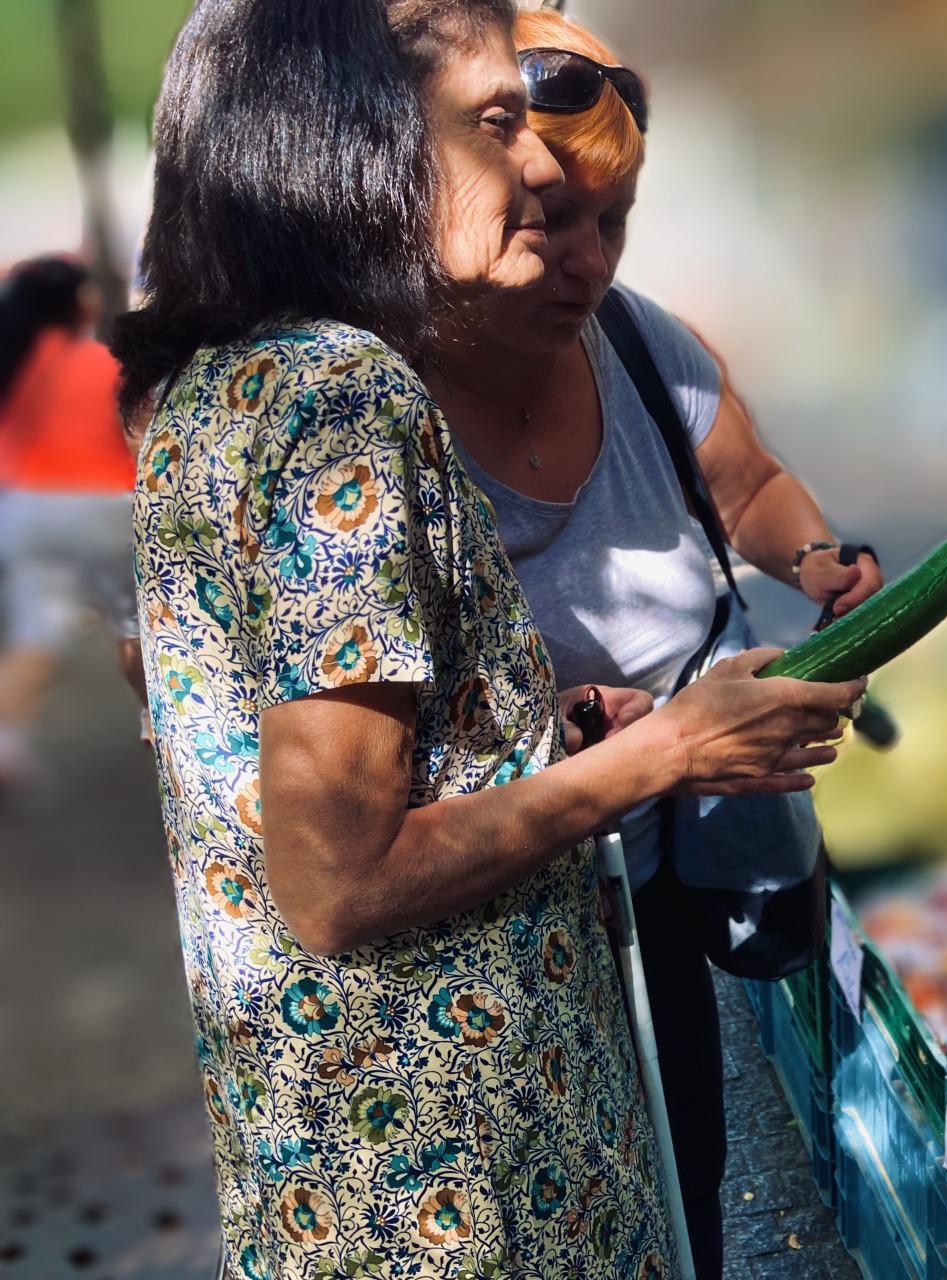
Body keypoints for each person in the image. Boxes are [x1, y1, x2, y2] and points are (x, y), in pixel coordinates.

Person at [111, 2, 863, 1275]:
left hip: (338, 1161)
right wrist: (669, 749)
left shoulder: (217, 387)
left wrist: (537, 729)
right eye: (495, 124)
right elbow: (339, 881)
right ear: (350, 138)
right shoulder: (342, 399)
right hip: (464, 1170)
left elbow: (291, 744)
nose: (534, 169)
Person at [418, 12, 884, 1275]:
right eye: (556, 216)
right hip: (501, 896)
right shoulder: (378, 400)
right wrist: (563, 720)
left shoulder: (636, 338)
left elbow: (750, 485)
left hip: (662, 852)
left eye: (612, 223)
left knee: (687, 1148)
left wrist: (817, 559)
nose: (586, 258)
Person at [0, 255, 135, 799]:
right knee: (132, 623)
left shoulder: (12, 363)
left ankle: (7, 745)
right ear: (82, 303)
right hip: (103, 508)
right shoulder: (104, 364)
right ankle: (167, 730)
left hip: (27, 510)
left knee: (37, 632)